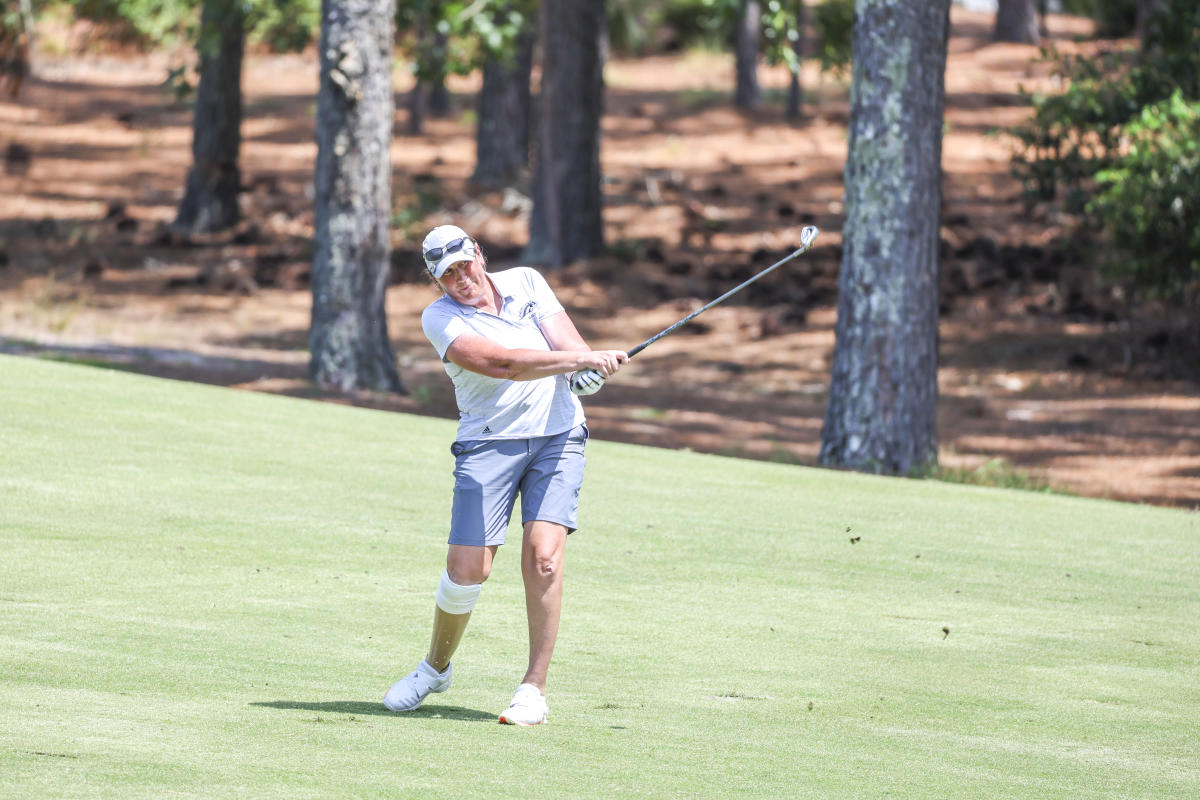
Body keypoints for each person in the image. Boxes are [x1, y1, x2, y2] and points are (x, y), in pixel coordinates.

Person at [384, 224, 628, 725]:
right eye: (446, 275)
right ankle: (435, 667)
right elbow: (502, 364)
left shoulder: (528, 283)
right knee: (468, 569)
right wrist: (578, 360)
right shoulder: (440, 319)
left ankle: (533, 689)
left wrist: (584, 371)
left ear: (478, 253)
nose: (460, 279)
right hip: (488, 443)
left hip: (559, 437)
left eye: (463, 265)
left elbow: (568, 343)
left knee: (544, 559)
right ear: (437, 282)